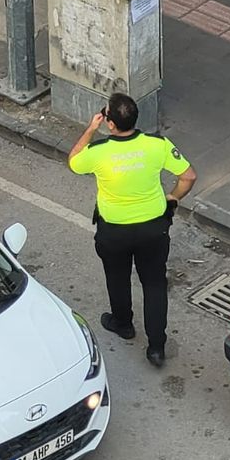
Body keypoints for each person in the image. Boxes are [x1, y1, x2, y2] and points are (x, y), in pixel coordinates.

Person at [68, 93, 197, 367]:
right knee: (154, 284)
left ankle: (124, 324)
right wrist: (172, 198)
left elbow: (74, 160)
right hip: (153, 229)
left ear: (110, 124)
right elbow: (188, 176)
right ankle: (156, 348)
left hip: (114, 230)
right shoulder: (157, 145)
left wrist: (91, 127)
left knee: (117, 276)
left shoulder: (99, 152)